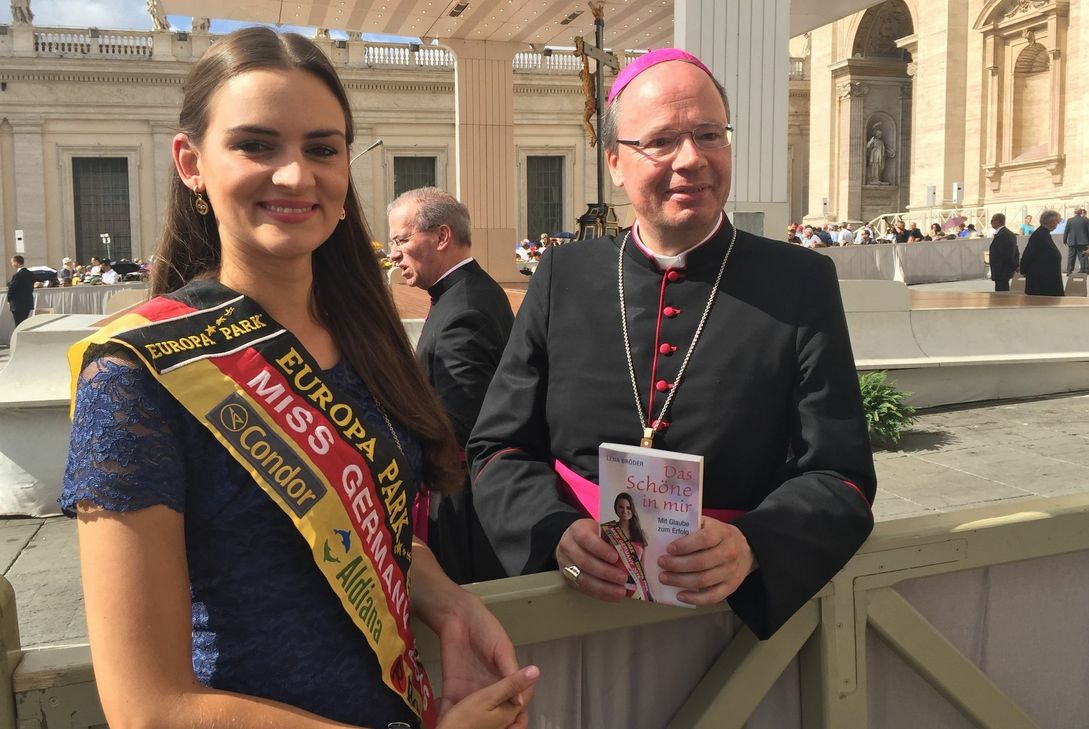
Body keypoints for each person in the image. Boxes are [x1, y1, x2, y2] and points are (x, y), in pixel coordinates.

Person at [61, 28, 537, 729]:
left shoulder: (366, 341)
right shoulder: (136, 376)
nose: (294, 175)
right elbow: (148, 707)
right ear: (191, 163)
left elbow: (367, 532)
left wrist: (448, 599)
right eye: (256, 145)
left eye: (322, 148)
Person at [468, 48, 875, 641]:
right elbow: (497, 448)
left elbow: (842, 476)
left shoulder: (800, 282)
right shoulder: (563, 275)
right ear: (614, 161)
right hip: (570, 605)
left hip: (725, 619)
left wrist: (754, 546)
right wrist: (554, 532)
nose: (692, 159)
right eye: (661, 140)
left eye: (709, 134)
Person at [387, 187, 515, 583]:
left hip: (460, 501)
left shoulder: (465, 310)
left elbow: (461, 422)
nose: (393, 254)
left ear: (441, 237)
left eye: (401, 240)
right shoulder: (462, 294)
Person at [599, 493, 652, 601]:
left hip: (634, 587)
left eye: (628, 507)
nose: (624, 511)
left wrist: (648, 592)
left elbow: (642, 567)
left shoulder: (640, 534)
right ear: (616, 508)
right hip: (612, 583)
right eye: (621, 507)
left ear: (632, 509)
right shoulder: (608, 530)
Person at [1020, 210, 1064, 296]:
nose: (1057, 224)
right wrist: (1023, 269)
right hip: (1041, 281)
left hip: (1047, 279)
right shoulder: (1038, 235)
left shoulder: (1044, 234)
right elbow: (1028, 254)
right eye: (1056, 222)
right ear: (1050, 221)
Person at [988, 213, 1019, 292]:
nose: (990, 223)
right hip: (1003, 269)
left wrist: (1015, 266)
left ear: (997, 221)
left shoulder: (1003, 235)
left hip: (1002, 270)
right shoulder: (1006, 233)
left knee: (1002, 293)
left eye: (992, 220)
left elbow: (1005, 254)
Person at [6, 255, 35, 326]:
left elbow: (12, 289)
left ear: (16, 262)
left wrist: (8, 299)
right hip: (27, 303)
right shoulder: (31, 274)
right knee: (24, 324)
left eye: (12, 262)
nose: (12, 264)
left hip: (17, 304)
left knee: (18, 325)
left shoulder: (17, 275)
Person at [1062, 208, 1089, 275]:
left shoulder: (1070, 220)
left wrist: (1064, 240)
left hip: (1072, 241)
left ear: (1074, 213)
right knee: (1083, 256)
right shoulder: (1086, 220)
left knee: (1071, 256)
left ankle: (1069, 271)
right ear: (1081, 213)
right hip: (1083, 241)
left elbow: (1066, 231)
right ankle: (1084, 270)